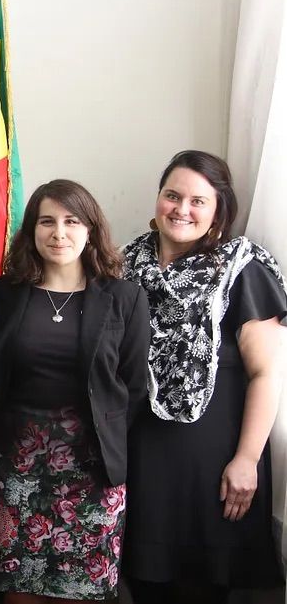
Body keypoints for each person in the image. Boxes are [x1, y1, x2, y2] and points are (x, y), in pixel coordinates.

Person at [122, 150, 287, 604]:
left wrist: (247, 460)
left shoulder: (242, 269)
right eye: (172, 195)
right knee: (144, 585)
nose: (182, 209)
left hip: (217, 470)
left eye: (198, 200)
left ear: (218, 211)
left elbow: (267, 373)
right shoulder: (122, 266)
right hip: (141, 460)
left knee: (201, 590)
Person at [0, 180, 150, 603]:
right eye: (47, 221)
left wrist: (104, 438)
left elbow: (134, 386)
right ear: (31, 230)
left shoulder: (124, 297)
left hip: (92, 470)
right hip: (14, 468)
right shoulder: (3, 294)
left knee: (82, 593)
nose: (59, 233)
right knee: (18, 589)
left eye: (72, 221)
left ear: (90, 230)